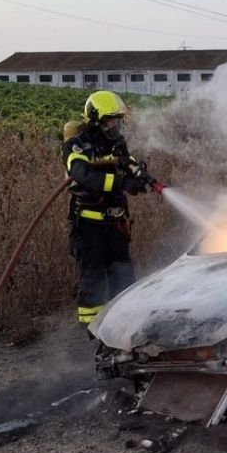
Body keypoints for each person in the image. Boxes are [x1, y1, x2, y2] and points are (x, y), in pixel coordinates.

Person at [62, 90, 162, 330]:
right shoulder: (76, 145)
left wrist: (139, 176)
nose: (115, 125)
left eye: (118, 120)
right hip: (88, 225)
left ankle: (124, 325)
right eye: (110, 120)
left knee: (124, 276)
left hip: (115, 225)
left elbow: (127, 163)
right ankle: (90, 330)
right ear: (96, 120)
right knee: (93, 278)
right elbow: (83, 175)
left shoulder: (117, 143)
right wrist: (121, 183)